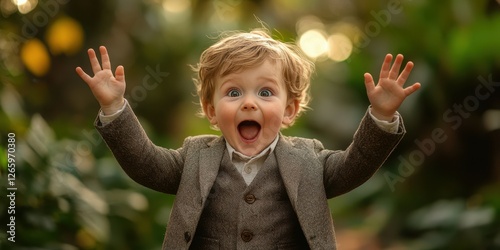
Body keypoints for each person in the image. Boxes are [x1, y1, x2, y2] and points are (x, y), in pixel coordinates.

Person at [76, 29, 420, 249]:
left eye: (266, 91)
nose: (249, 102)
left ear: (289, 110)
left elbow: (355, 166)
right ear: (212, 112)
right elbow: (146, 164)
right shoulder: (194, 156)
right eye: (234, 91)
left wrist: (381, 117)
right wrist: (114, 107)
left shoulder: (309, 160)